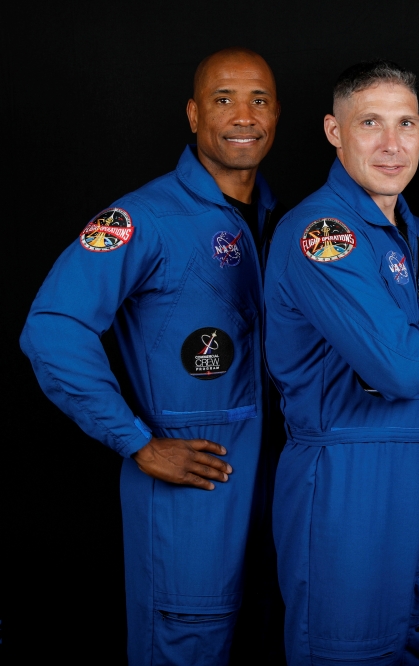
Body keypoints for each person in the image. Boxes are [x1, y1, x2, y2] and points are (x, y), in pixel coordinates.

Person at [20, 47, 282, 664]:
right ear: (193, 115)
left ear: (277, 115)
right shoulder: (143, 218)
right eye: (223, 99)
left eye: (259, 100)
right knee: (185, 643)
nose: (243, 116)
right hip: (190, 491)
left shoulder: (282, 222)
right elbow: (52, 328)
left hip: (274, 488)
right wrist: (136, 441)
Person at [264, 60, 419, 665]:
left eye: (405, 123)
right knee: (347, 651)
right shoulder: (319, 234)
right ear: (334, 131)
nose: (392, 144)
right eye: (370, 123)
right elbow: (405, 370)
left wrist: (416, 356)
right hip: (344, 480)